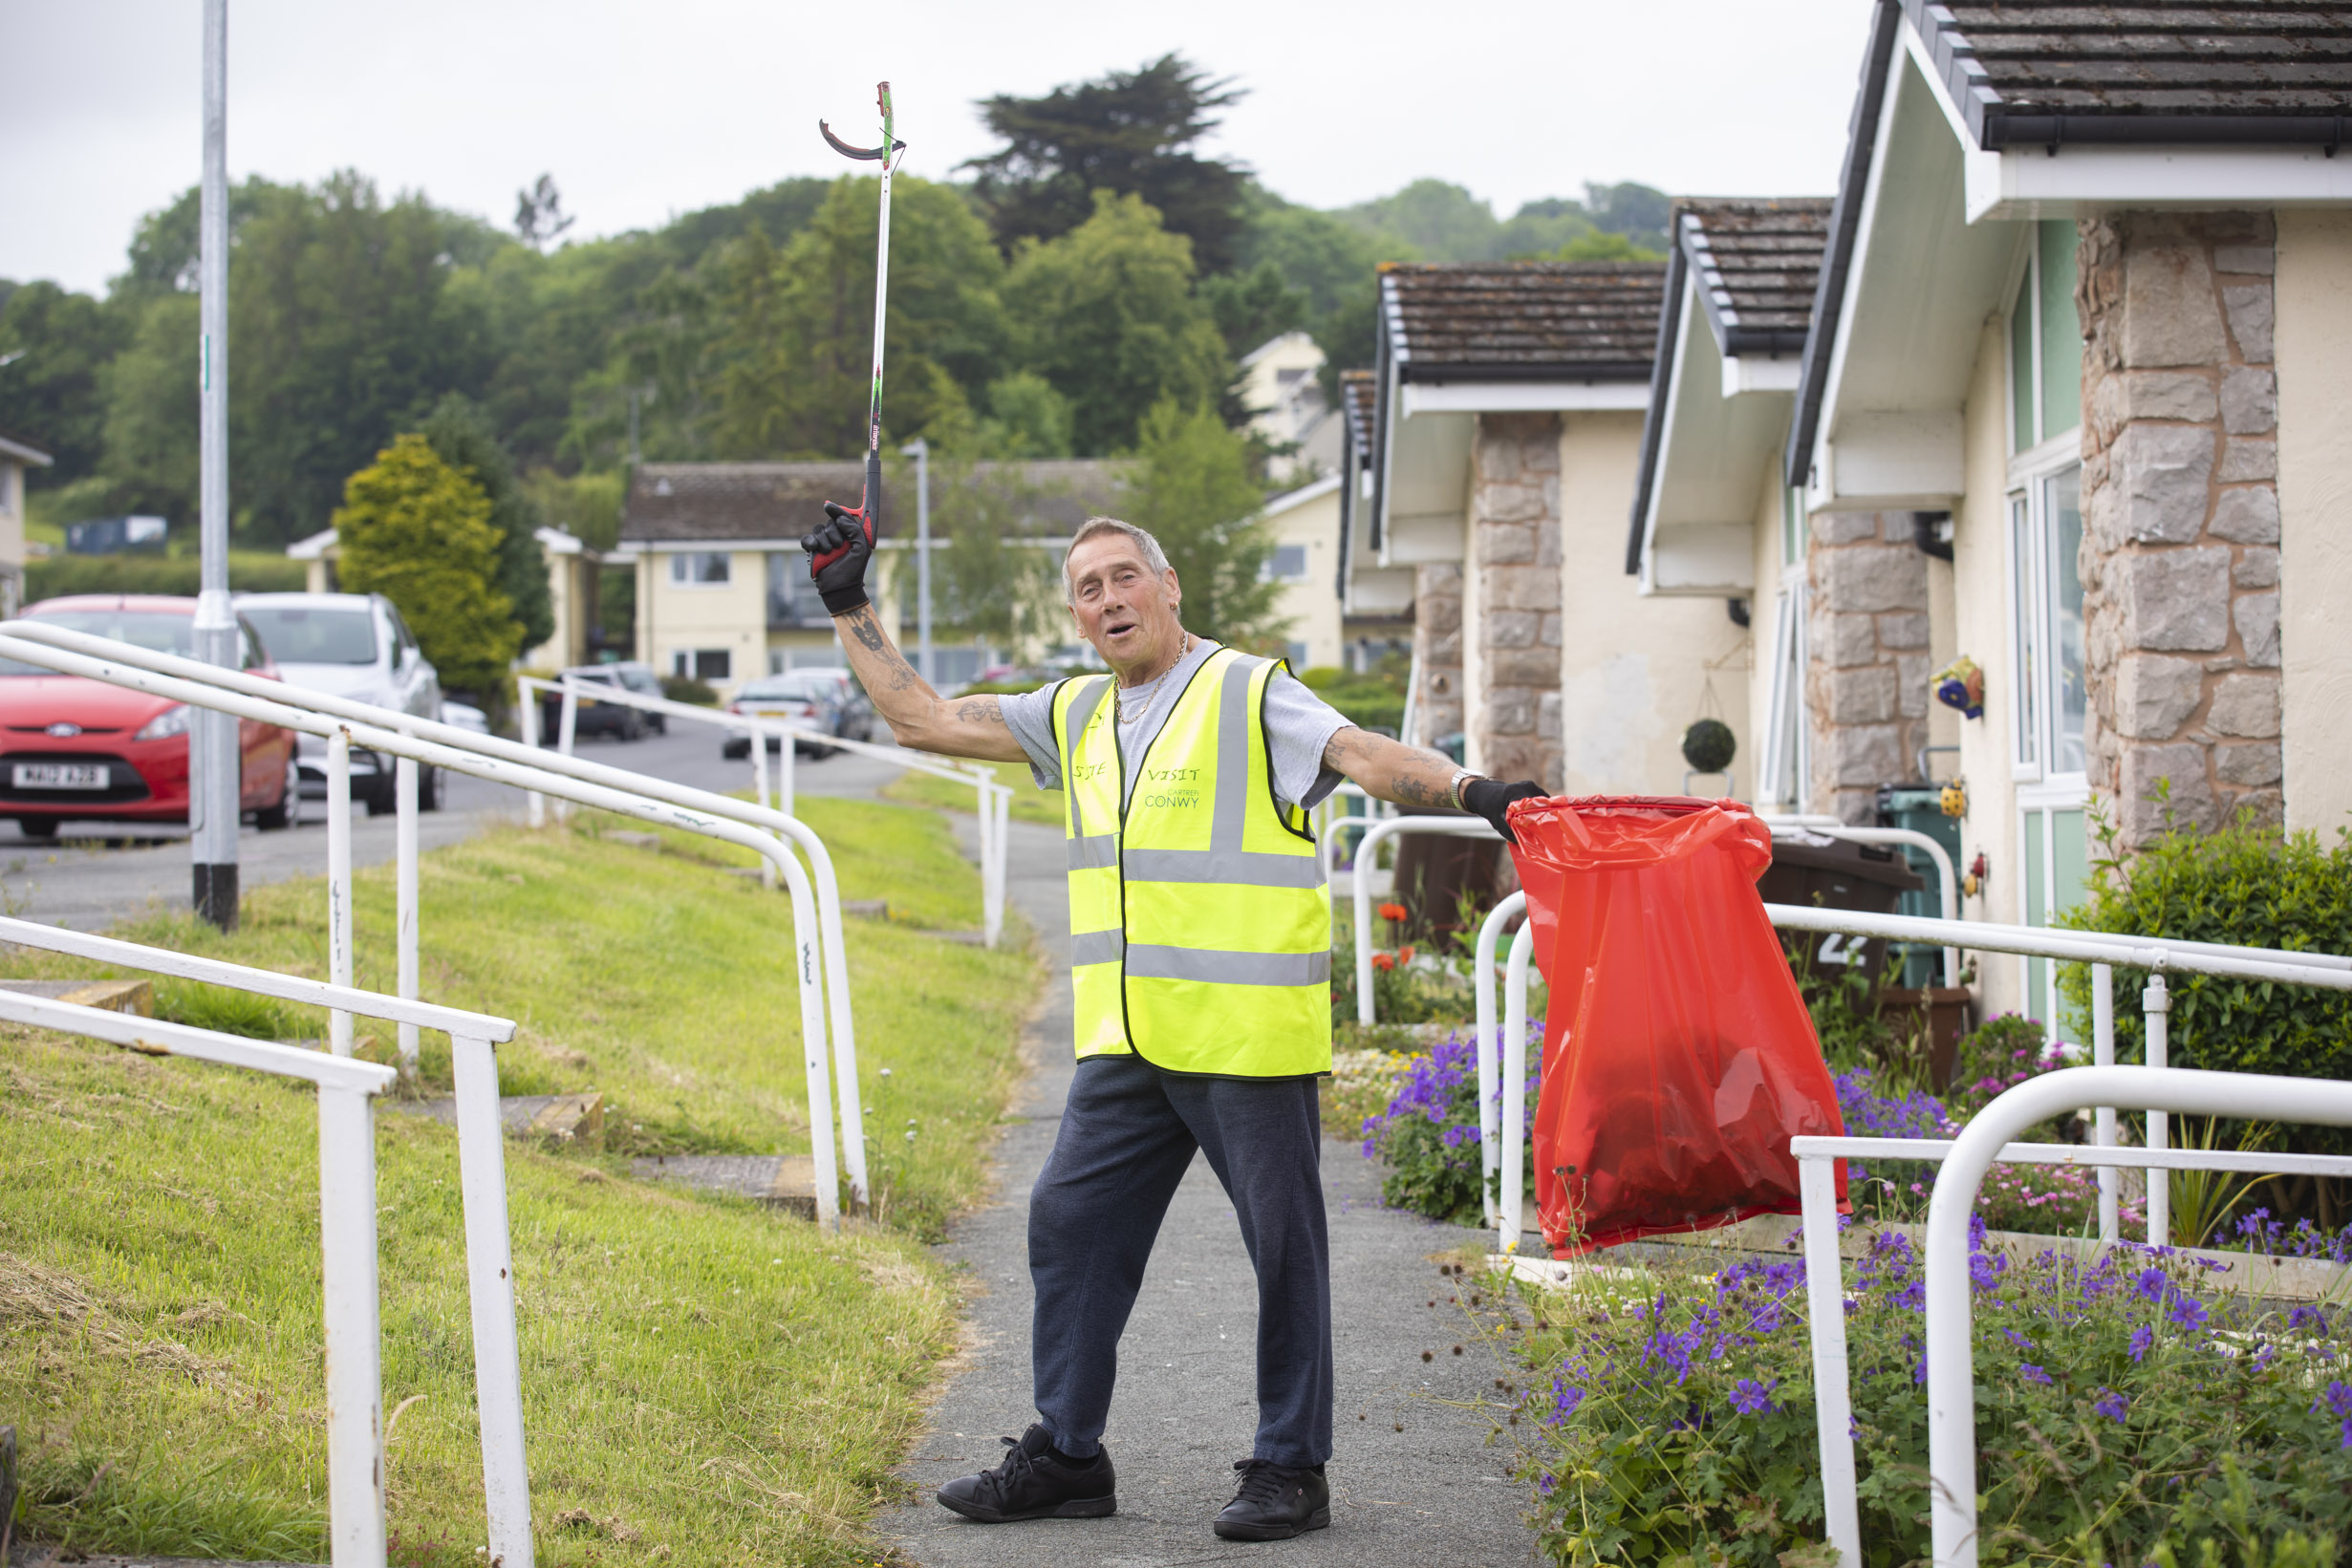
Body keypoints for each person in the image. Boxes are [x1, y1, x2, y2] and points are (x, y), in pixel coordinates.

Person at [798, 504, 1543, 1541]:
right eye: (1086, 590)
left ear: (1168, 584)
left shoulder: (1248, 690)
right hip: (1127, 1042)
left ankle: (1291, 1467)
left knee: (1284, 1251)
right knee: (1067, 1226)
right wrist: (847, 600)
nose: (1107, 599)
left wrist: (1478, 791)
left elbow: (1362, 754)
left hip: (1242, 1040)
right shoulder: (1072, 717)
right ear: (1076, 615)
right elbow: (921, 717)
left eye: (1122, 578)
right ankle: (1066, 1453)